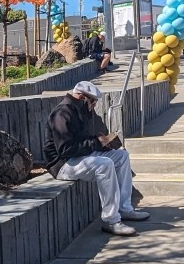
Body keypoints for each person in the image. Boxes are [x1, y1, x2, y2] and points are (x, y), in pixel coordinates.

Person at [44, 80, 148, 236]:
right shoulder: (62, 113)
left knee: (121, 156)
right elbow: (66, 149)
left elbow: (84, 140)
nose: (94, 104)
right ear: (81, 97)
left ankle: (124, 208)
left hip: (79, 157)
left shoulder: (82, 110)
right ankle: (111, 220)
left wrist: (103, 142)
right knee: (104, 164)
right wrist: (96, 143)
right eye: (92, 100)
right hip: (63, 164)